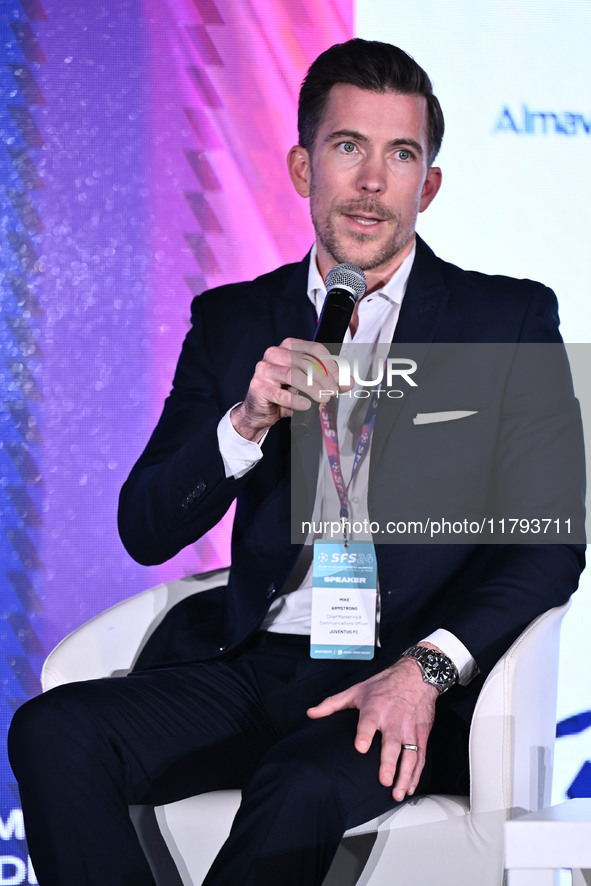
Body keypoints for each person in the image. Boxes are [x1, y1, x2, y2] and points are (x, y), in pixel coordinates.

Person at [8, 38, 585, 886]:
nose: (370, 181)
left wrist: (424, 671)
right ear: (300, 166)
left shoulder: (505, 320)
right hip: (256, 663)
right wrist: (244, 422)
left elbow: (547, 545)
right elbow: (145, 527)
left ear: (427, 185)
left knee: (299, 784)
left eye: (400, 155)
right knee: (54, 730)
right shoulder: (235, 321)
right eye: (348, 147)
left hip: (406, 671)